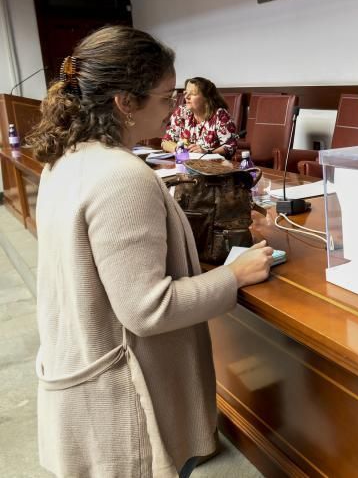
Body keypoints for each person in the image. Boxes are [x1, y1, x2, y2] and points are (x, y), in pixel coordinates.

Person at [26, 26, 274, 478]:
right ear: (125, 102)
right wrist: (234, 275)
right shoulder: (122, 176)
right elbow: (147, 308)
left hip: (83, 382)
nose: (174, 108)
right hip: (125, 404)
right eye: (165, 97)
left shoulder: (63, 160)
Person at [162, 76, 238, 158]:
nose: (186, 97)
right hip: (183, 163)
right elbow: (165, 142)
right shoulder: (181, 112)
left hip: (211, 167)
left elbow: (230, 146)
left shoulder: (220, 115)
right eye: (185, 92)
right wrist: (179, 149)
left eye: (193, 94)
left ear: (206, 98)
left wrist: (206, 152)